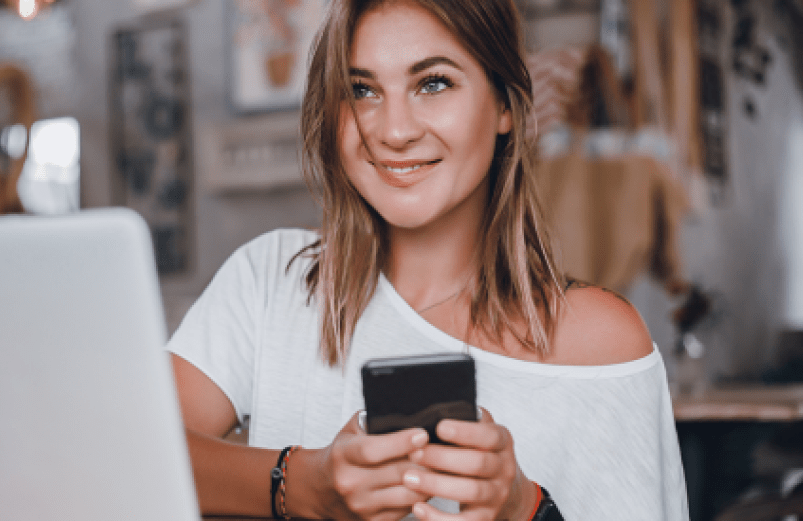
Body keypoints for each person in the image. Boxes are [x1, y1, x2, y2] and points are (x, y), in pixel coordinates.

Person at [169, 0, 689, 519]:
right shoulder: (273, 281)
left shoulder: (601, 342)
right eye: (362, 90)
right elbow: (121, 457)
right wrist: (300, 484)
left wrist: (523, 509)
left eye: (433, 83)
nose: (393, 131)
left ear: (505, 104)